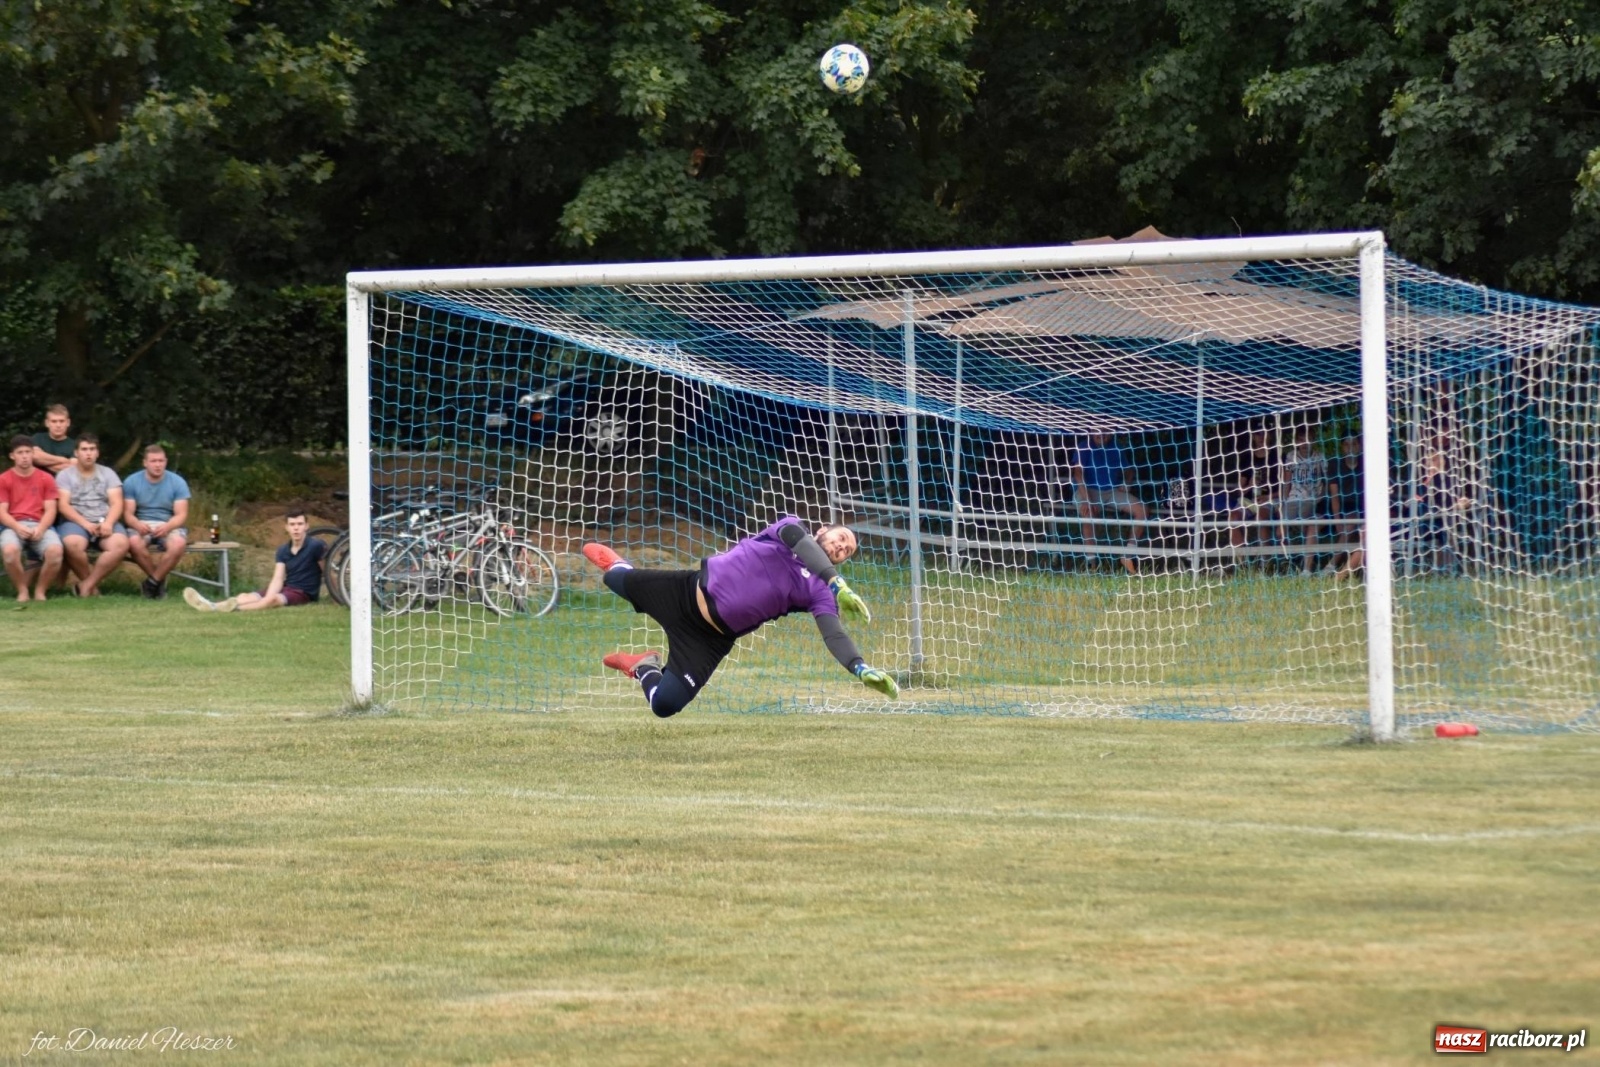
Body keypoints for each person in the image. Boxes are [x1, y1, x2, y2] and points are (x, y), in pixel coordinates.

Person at [583, 518, 898, 718]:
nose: (842, 546)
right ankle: (621, 566)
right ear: (822, 530)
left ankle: (643, 667)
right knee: (614, 579)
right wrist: (836, 581)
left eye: (847, 550)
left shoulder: (820, 591)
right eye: (841, 537)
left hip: (708, 640)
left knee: (664, 705)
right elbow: (799, 541)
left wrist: (859, 667)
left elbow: (833, 633)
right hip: (685, 593)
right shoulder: (791, 531)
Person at [185, 511, 326, 612]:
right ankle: (212, 605)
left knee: (272, 600)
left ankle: (229, 610)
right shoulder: (283, 550)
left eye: (300, 524)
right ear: (287, 527)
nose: (296, 528)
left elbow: (326, 571)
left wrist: (339, 596)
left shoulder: (316, 545)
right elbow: (277, 578)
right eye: (293, 524)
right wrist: (268, 594)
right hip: (287, 586)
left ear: (307, 526)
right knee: (245, 596)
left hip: (304, 593)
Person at [54, 433, 131, 596]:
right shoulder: (65, 475)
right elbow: (63, 505)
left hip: (105, 519)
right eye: (84, 449)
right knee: (72, 545)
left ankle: (87, 585)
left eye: (92, 449)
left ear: (97, 453)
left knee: (121, 545)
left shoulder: (108, 473)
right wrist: (86, 524)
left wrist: (109, 523)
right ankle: (92, 588)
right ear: (76, 453)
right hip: (76, 522)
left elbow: (117, 503)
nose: (88, 453)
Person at [1069, 432, 1146, 574]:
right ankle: (1091, 565)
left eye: (1106, 431)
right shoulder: (1084, 446)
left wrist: (1126, 483)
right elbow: (1078, 474)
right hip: (1086, 490)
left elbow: (1129, 471)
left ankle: (1128, 556)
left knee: (1142, 511)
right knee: (1088, 514)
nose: (1102, 434)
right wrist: (1087, 500)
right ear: (1091, 431)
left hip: (1111, 491)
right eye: (1098, 430)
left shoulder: (1116, 447)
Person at [1, 434, 64, 604]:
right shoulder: (4, 479)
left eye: (28, 452)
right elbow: (2, 513)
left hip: (40, 524)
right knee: (9, 552)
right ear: (12, 456)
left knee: (56, 552)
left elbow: (51, 510)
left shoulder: (46, 478)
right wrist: (17, 527)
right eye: (20, 452)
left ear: (33, 454)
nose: (24, 456)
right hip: (13, 525)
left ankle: (40, 591)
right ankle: (22, 591)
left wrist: (41, 529)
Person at [122, 444, 191, 598]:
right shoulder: (132, 482)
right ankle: (158, 582)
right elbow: (128, 514)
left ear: (166, 462)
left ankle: (151, 583)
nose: (158, 465)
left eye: (161, 461)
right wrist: (137, 524)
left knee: (178, 544)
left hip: (168, 523)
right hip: (141, 523)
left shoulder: (178, 482)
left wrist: (168, 527)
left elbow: (181, 515)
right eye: (153, 461)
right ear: (145, 463)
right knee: (133, 543)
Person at [1279, 424, 1329, 575]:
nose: (1305, 443)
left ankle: (1305, 564)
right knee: (1279, 529)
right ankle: (1286, 561)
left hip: (1313, 500)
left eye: (1308, 439)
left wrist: (1322, 497)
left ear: (1313, 440)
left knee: (1307, 524)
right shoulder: (1291, 457)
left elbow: (1328, 481)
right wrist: (1283, 502)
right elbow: (1287, 482)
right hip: (1294, 499)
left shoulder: (1320, 457)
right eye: (1301, 440)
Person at [30, 404, 77, 475]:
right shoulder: (37, 438)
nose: (58, 425)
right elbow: (35, 457)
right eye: (54, 421)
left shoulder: (75, 445)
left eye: (61, 421)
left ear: (68, 422)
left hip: (61, 485)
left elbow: (70, 469)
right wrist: (63, 460)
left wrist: (43, 460)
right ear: (47, 423)